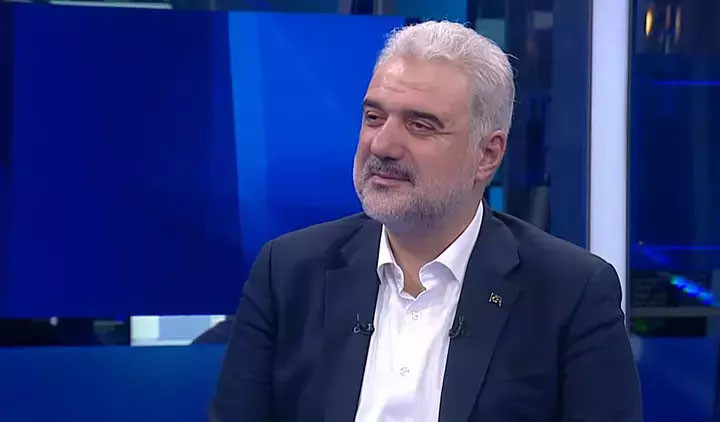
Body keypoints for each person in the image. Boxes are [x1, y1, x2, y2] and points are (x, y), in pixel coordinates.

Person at [210, 20, 642, 422]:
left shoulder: (570, 293)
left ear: (487, 154)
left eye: (420, 125)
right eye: (374, 117)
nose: (382, 145)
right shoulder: (288, 271)